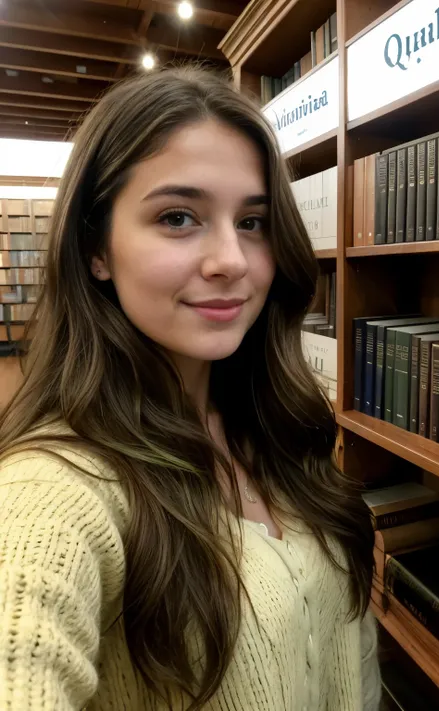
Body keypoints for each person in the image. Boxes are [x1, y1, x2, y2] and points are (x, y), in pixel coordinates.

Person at [0, 66, 380, 711]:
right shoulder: (54, 487)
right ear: (96, 248)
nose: (231, 260)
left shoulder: (278, 429)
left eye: (253, 221)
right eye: (178, 217)